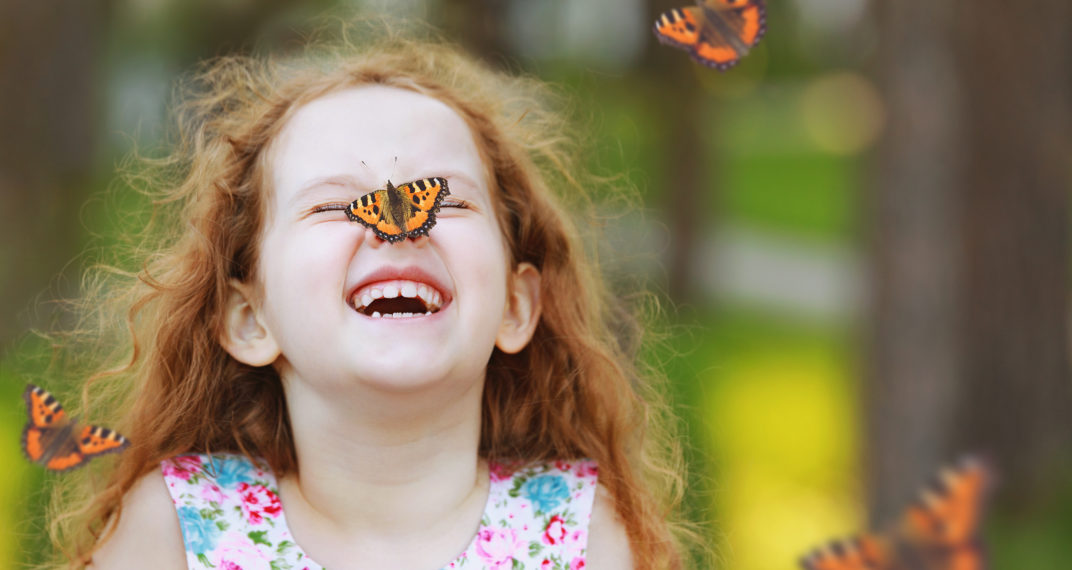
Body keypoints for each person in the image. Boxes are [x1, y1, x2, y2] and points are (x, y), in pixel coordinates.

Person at [46, 23, 688, 570]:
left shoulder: (578, 535)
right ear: (248, 318)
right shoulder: (175, 532)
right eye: (333, 204)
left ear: (518, 306)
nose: (400, 228)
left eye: (448, 199)